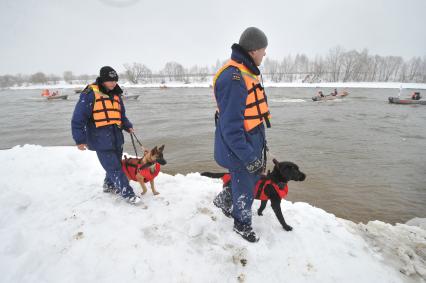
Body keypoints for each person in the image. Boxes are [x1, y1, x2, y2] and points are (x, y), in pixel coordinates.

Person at [213, 27, 270, 242]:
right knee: (245, 184)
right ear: (254, 50)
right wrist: (248, 156)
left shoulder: (245, 71)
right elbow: (230, 127)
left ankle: (224, 200)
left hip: (251, 139)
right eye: (263, 50)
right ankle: (241, 223)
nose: (264, 54)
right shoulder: (234, 78)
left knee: (247, 178)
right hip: (239, 146)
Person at [71, 66, 141, 204]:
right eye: (110, 80)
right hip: (100, 139)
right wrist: (80, 140)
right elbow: (78, 118)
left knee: (116, 165)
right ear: (103, 80)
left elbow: (121, 115)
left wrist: (128, 126)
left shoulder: (116, 95)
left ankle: (108, 185)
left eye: (115, 80)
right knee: (114, 168)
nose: (113, 83)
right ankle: (127, 193)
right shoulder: (90, 94)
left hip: (116, 138)